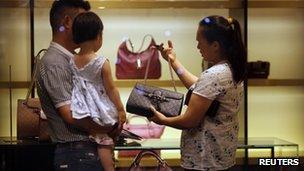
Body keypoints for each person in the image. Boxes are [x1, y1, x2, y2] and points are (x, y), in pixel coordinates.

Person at [150, 15, 246, 171]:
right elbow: (200, 87)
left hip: (203, 160)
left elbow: (189, 121)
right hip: (221, 156)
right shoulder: (231, 70)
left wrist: (162, 120)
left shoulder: (213, 75)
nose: (198, 47)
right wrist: (173, 61)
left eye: (199, 42)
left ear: (215, 45)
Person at [36, 0, 124, 170]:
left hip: (84, 150)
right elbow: (71, 114)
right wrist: (109, 125)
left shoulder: (72, 60)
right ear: (68, 22)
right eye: (82, 21)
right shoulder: (55, 62)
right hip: (76, 152)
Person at [70, 11, 126, 171]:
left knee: (94, 139)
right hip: (98, 108)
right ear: (98, 36)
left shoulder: (71, 61)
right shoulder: (101, 62)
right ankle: (109, 167)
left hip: (80, 109)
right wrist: (121, 109)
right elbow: (111, 89)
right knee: (105, 140)